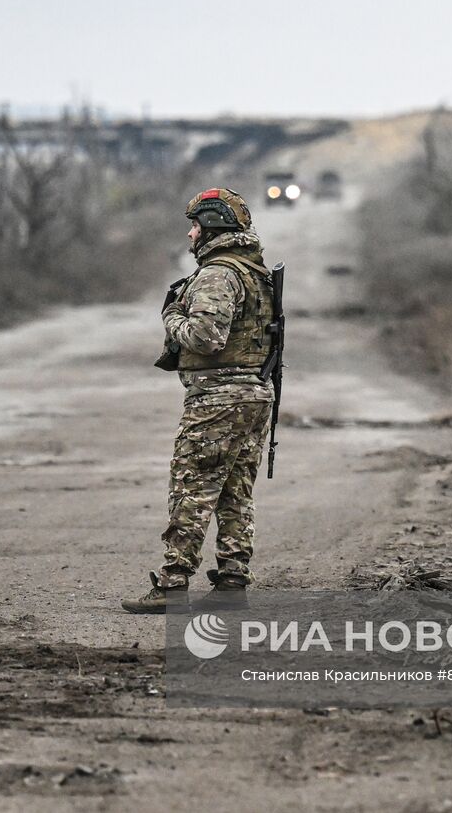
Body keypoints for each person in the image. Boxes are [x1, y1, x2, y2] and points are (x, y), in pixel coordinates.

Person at [123, 187, 275, 613]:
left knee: (192, 487)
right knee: (234, 490)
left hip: (218, 397)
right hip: (253, 393)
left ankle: (173, 585)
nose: (190, 236)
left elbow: (207, 338)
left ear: (211, 226)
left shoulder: (217, 273)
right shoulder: (252, 270)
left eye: (194, 226)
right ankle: (231, 581)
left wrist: (171, 316)